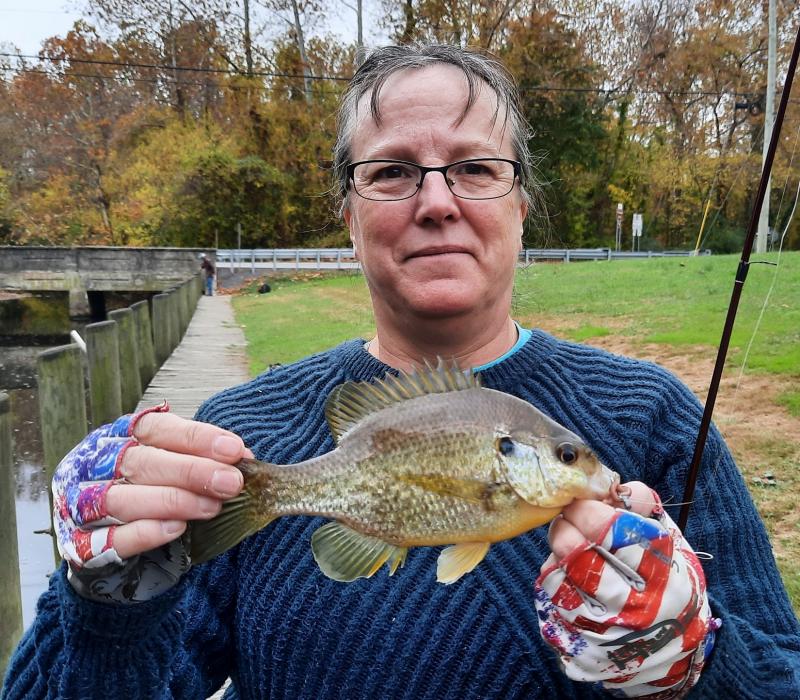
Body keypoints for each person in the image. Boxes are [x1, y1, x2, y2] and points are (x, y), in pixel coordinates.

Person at [3, 44, 799, 700]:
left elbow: (779, 675)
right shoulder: (238, 439)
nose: (437, 201)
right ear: (348, 215)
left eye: (476, 168)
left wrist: (696, 663)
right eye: (391, 172)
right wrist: (106, 596)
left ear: (522, 201)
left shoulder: (651, 416)